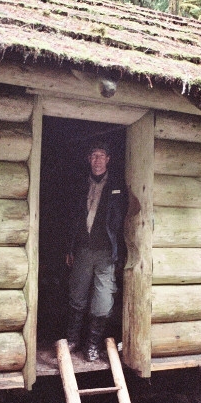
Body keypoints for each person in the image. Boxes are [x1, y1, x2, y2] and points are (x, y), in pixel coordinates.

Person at [65, 141, 126, 361]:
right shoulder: (81, 184)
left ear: (108, 159)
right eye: (93, 156)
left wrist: (122, 254)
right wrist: (70, 248)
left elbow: (126, 221)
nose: (97, 160)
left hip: (106, 253)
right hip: (82, 250)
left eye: (101, 156)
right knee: (77, 296)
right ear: (88, 159)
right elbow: (71, 220)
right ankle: (72, 340)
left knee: (102, 301)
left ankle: (92, 345)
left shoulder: (118, 185)